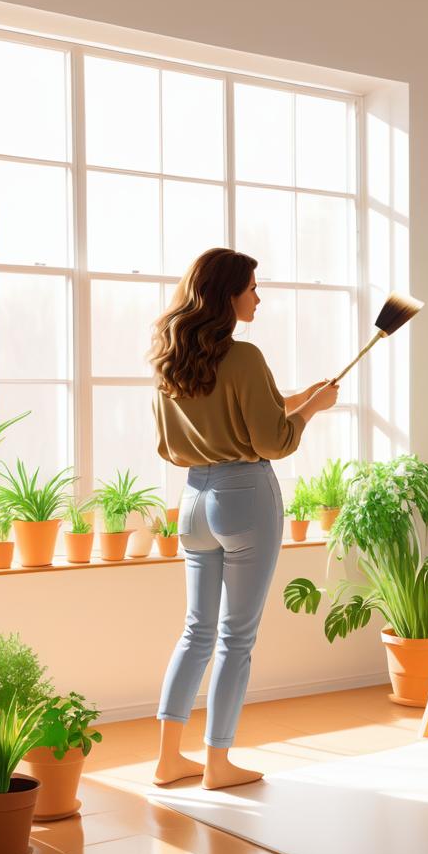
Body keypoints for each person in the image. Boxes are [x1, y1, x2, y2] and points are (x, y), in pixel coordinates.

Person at [148, 247, 339, 790]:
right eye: (253, 287)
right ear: (228, 294)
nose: (259, 296)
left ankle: (167, 759)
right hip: (244, 498)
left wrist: (299, 397)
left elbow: (172, 443)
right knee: (237, 638)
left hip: (192, 501)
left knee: (196, 632)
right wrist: (310, 412)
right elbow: (273, 439)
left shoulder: (171, 358)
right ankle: (218, 763)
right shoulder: (245, 356)